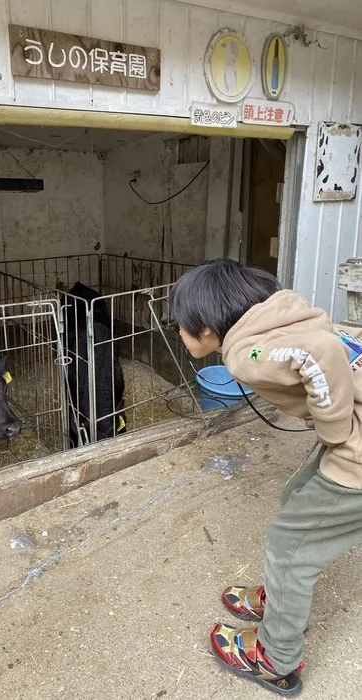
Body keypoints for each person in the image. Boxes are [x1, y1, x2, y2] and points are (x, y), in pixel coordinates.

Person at [169, 258, 362, 696]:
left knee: (289, 551)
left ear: (206, 329)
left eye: (180, 327)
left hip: (357, 455)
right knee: (297, 495)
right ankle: (281, 603)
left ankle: (276, 660)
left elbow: (321, 354)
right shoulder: (287, 316)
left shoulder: (245, 355)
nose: (178, 337)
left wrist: (335, 432)